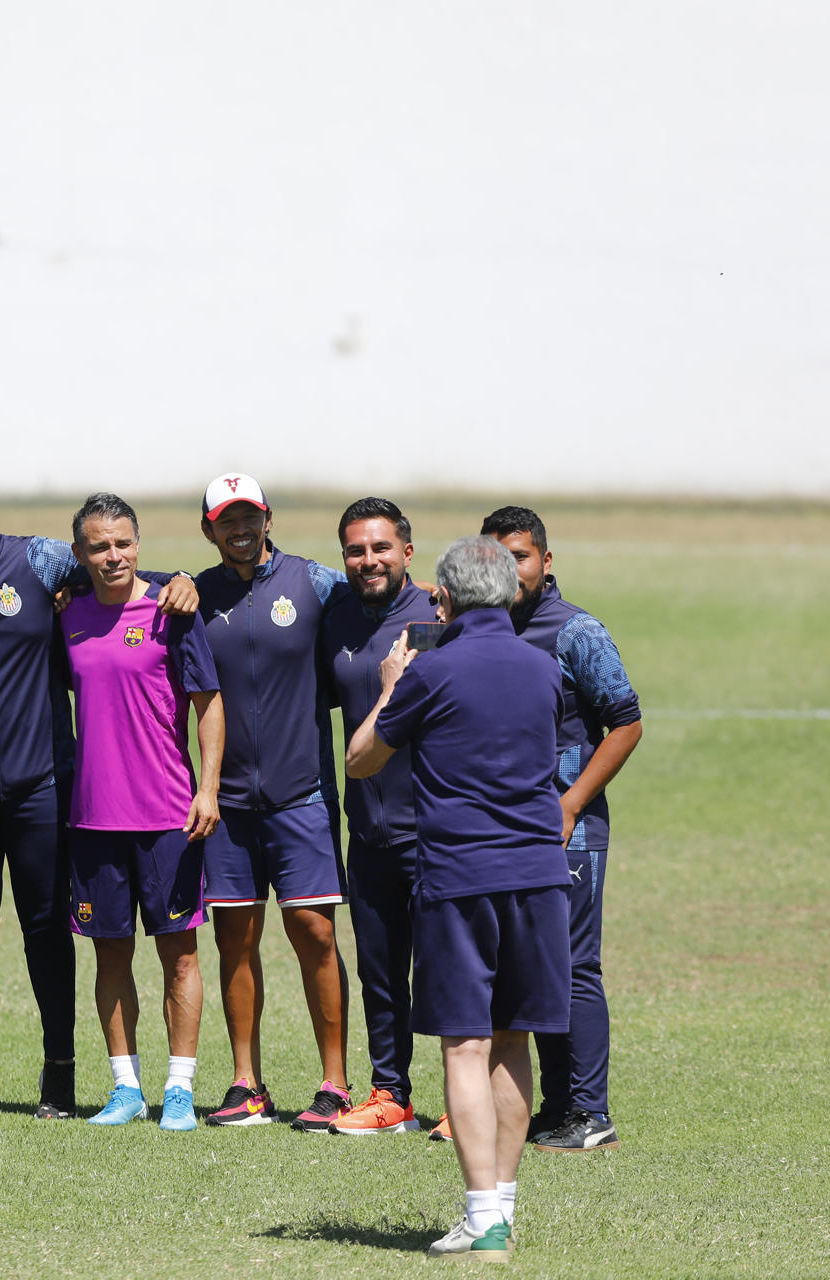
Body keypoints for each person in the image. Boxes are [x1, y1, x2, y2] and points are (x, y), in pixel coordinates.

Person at [0, 460, 197, 1120]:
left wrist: (182, 578)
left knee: (47, 930)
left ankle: (59, 1073)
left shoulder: (39, 561)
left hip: (43, 785)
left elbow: (116, 562)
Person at [347, 536, 571, 1260]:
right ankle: (502, 1205)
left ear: (442, 598)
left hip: (459, 879)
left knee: (465, 1045)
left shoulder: (431, 672)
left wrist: (391, 686)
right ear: (509, 592)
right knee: (513, 1038)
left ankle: (481, 1217)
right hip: (539, 877)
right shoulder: (544, 668)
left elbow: (361, 759)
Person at [192, 472, 357, 1132]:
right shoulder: (195, 595)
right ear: (208, 529)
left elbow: (382, 594)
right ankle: (246, 1084)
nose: (240, 529)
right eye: (225, 520)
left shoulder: (314, 583)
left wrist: (441, 597)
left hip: (301, 796)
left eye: (249, 516)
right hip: (226, 805)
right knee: (235, 939)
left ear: (268, 518)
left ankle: (335, 1084)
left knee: (315, 934)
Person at [60, 495, 224, 1131]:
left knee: (179, 955)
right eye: (99, 546)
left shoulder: (171, 609)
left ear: (138, 543)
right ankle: (125, 1087)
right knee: (110, 955)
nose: (113, 555)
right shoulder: (67, 612)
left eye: (123, 543)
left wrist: (207, 789)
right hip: (93, 819)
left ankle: (179, 1089)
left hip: (167, 816)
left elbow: (208, 704)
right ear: (80, 553)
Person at [483, 506, 643, 1152]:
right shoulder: (483, 627)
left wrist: (571, 803)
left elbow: (627, 723)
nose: (510, 570)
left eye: (519, 557)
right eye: (496, 559)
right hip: (506, 831)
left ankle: (589, 1112)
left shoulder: (577, 631)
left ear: (545, 562)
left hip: (566, 829)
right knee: (532, 968)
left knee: (574, 966)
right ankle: (555, 1108)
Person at [320, 498, 441, 1136]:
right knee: (380, 972)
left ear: (407, 552)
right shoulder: (335, 617)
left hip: (436, 833)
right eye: (356, 550)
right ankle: (390, 1094)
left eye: (381, 548)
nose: (369, 561)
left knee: (450, 971)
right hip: (366, 832)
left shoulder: (439, 619)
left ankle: (466, 1101)